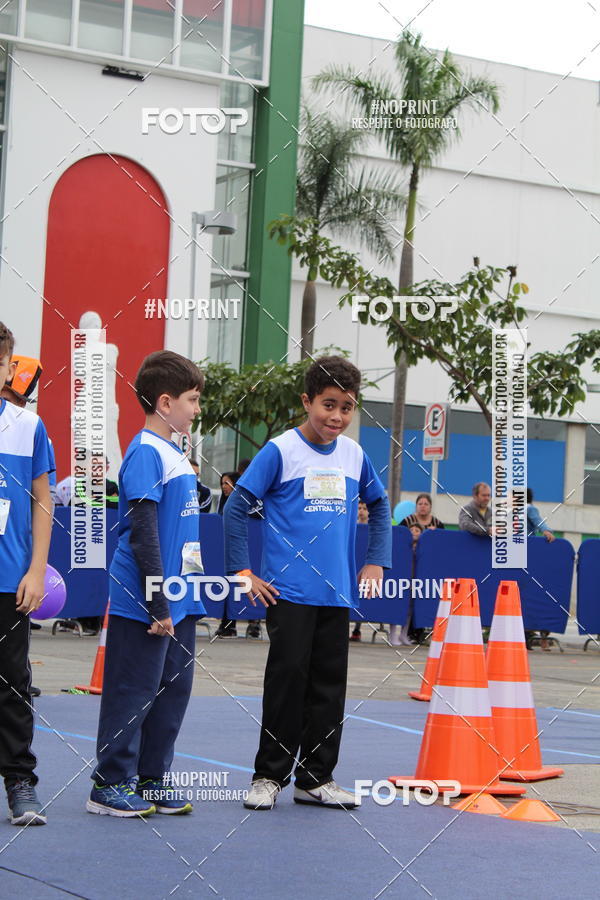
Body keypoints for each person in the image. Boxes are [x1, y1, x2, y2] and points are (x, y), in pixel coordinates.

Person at [224, 354, 392, 810]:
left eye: (347, 407)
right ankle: (268, 777)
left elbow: (379, 506)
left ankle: (316, 778)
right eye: (328, 405)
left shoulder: (354, 454)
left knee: (328, 686)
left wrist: (376, 560)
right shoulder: (281, 451)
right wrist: (243, 571)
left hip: (335, 592)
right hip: (289, 592)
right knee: (287, 682)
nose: (336, 417)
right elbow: (235, 509)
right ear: (307, 401)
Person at [87, 350, 206, 817]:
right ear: (164, 402)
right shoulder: (143, 453)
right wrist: (158, 600)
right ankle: (110, 782)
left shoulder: (175, 451)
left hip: (182, 596)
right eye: (192, 400)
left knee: (173, 689)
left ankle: (152, 777)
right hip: (148, 598)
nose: (197, 409)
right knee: (133, 689)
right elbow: (144, 531)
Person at [0, 323, 52, 826]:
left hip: (8, 579)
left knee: (12, 684)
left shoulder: (27, 426)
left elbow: (43, 501)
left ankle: (20, 782)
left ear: (9, 367)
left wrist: (36, 570)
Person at [527, 487, 555, 651]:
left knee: (535, 595)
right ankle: (533, 637)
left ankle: (543, 638)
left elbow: (538, 521)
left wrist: (546, 530)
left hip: (528, 557)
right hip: (521, 557)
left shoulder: (528, 508)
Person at [215, 472, 242, 638]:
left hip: (238, 551)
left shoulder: (244, 501)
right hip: (222, 550)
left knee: (237, 587)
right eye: (222, 483)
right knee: (224, 586)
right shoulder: (222, 502)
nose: (224, 486)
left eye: (228, 483)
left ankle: (248, 624)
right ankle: (226, 623)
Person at [390, 523, 423, 646]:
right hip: (401, 581)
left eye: (417, 530)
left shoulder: (422, 549)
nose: (414, 532)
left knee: (409, 609)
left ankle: (403, 634)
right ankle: (392, 634)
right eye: (411, 530)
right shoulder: (402, 547)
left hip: (414, 581)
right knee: (396, 606)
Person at [350, 501, 370, 641]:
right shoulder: (351, 525)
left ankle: (357, 628)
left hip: (365, 565)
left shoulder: (371, 528)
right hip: (352, 563)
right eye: (359, 508)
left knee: (363, 597)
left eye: (364, 508)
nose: (362, 511)